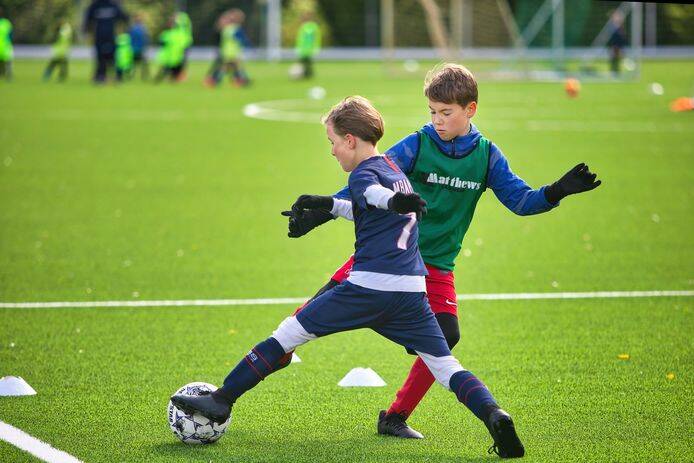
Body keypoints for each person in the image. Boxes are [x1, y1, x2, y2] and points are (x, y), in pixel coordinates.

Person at [171, 96, 526, 459]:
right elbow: (364, 206)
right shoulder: (395, 170)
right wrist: (326, 203)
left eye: (333, 142)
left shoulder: (364, 175)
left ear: (351, 140)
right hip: (412, 293)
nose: (332, 150)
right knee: (445, 366)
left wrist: (392, 203)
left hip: (367, 288)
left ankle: (221, 399)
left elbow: (373, 196)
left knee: (288, 333)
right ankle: (494, 415)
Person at [284, 64, 601, 440]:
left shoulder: (487, 156)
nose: (437, 120)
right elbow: (367, 179)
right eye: (432, 111)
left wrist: (557, 191)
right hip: (384, 257)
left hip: (434, 268)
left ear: (471, 110)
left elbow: (521, 201)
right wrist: (319, 214)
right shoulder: (417, 145)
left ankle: (395, 417)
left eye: (446, 112)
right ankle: (257, 369)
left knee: (447, 335)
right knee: (303, 321)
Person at [83, 0, 129, 83]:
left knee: (109, 56)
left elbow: (124, 17)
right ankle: (102, 75)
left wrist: (86, 30)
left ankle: (110, 75)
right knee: (103, 56)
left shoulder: (105, 5)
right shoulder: (98, 5)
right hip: (103, 36)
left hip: (106, 36)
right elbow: (124, 17)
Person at [204, 9, 251, 87]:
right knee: (228, 67)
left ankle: (240, 80)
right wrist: (248, 45)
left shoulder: (227, 29)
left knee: (230, 67)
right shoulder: (236, 29)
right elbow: (242, 40)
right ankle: (215, 80)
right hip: (232, 52)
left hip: (226, 51)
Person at [154, 15, 187, 83]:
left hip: (170, 55)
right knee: (174, 68)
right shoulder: (181, 33)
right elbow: (184, 45)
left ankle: (167, 77)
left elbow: (162, 42)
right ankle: (174, 78)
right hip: (177, 55)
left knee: (168, 68)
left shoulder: (167, 33)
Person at [295, 12, 321, 79]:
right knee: (302, 62)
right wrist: (298, 47)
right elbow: (300, 38)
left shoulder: (314, 27)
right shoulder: (303, 27)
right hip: (303, 49)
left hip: (310, 49)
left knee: (308, 62)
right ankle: (303, 74)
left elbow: (317, 38)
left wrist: (316, 47)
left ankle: (308, 74)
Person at [129, 14, 149, 80]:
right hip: (137, 48)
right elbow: (146, 38)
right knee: (136, 64)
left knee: (138, 64)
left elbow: (146, 38)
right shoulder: (140, 28)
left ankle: (142, 76)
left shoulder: (135, 28)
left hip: (138, 48)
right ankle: (135, 76)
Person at [606, 10, 626, 76]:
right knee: (612, 58)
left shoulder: (620, 26)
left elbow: (622, 37)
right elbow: (611, 37)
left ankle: (617, 71)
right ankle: (613, 71)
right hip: (613, 45)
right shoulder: (611, 26)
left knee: (618, 59)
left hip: (619, 45)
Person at [0, 7, 13, 81]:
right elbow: (11, 35)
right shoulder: (6, 23)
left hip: (5, 46)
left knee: (7, 62)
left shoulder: (6, 23)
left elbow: (10, 34)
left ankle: (7, 75)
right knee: (7, 62)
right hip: (5, 46)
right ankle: (7, 75)